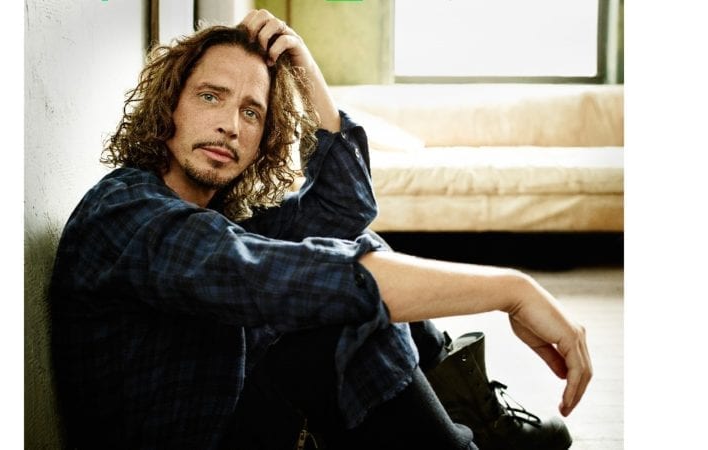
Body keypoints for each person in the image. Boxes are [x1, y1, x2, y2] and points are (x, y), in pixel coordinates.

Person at [49, 9, 591, 450]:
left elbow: (345, 208)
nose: (230, 125)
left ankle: (477, 422)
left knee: (356, 258)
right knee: (337, 311)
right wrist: (511, 289)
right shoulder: (128, 215)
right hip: (194, 437)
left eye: (252, 112)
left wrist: (303, 67)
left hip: (234, 416)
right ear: (169, 104)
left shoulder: (219, 211)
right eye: (210, 96)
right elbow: (294, 279)